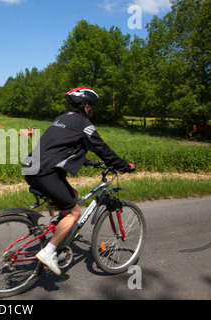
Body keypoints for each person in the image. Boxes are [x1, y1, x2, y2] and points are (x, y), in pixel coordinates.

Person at [22, 87, 134, 275]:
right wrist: (123, 165)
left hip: (31, 167)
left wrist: (85, 160)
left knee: (73, 194)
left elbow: (58, 146)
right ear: (86, 106)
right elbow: (102, 148)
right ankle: (48, 252)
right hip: (46, 172)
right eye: (93, 108)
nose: (93, 111)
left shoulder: (61, 119)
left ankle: (59, 233)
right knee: (74, 213)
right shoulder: (84, 123)